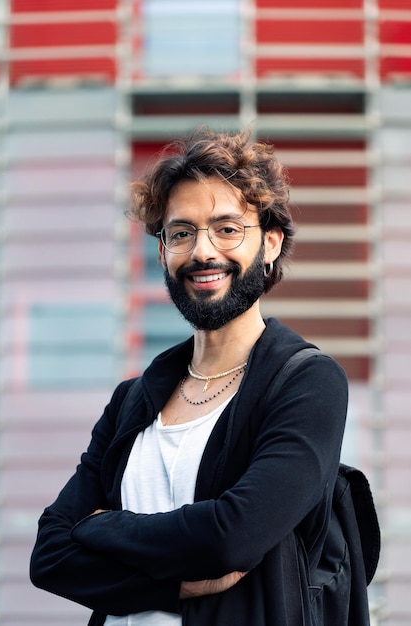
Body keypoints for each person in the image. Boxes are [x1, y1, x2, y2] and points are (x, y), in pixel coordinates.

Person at [30, 128, 348, 626]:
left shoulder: (307, 384)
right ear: (162, 252)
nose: (202, 251)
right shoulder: (133, 398)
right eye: (182, 232)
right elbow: (48, 555)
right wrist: (173, 584)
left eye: (226, 228)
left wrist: (102, 527)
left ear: (269, 243)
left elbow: (232, 536)